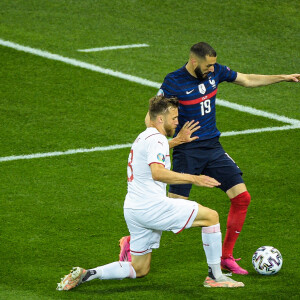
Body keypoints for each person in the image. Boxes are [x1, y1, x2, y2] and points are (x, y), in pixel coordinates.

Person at [119, 42, 300, 275]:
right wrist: (172, 139)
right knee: (174, 212)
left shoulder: (216, 72)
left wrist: (283, 77)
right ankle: (132, 242)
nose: (212, 69)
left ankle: (226, 257)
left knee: (242, 198)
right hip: (188, 152)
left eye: (214, 65)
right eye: (208, 65)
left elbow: (246, 79)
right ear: (194, 61)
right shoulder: (173, 81)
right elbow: (150, 120)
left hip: (213, 148)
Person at [57, 96, 245, 291]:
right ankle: (215, 276)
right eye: (174, 118)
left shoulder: (144, 137)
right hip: (152, 207)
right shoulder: (157, 139)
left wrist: (178, 140)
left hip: (133, 210)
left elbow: (157, 149)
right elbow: (157, 173)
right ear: (161, 119)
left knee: (139, 269)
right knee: (211, 217)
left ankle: (89, 274)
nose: (177, 121)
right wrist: (195, 178)